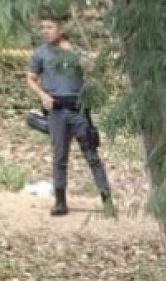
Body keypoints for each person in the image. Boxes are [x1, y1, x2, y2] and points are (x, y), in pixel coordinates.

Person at [26, 16, 113, 219]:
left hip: (79, 110)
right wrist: (42, 95)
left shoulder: (75, 50)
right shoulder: (40, 53)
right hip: (56, 110)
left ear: (60, 28)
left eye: (50, 27)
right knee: (59, 158)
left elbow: (93, 70)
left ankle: (107, 200)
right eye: (42, 27)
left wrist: (77, 56)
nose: (45, 31)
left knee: (92, 156)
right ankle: (60, 202)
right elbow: (30, 78)